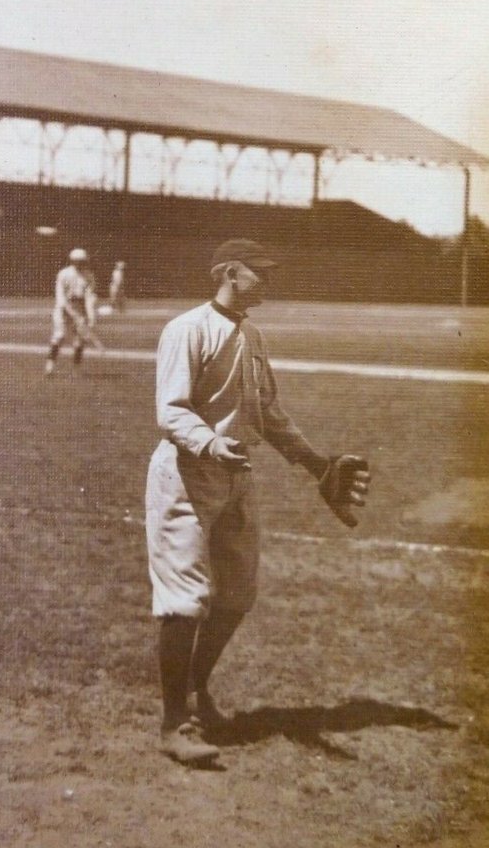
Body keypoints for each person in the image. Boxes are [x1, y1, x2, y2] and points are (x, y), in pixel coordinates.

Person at [145, 238, 370, 765]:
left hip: (236, 474)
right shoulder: (186, 329)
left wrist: (318, 465)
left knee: (237, 595)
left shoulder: (252, 334)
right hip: (187, 473)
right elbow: (171, 410)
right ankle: (174, 724)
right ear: (229, 272)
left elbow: (268, 413)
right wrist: (209, 442)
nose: (267, 280)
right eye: (258, 272)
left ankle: (195, 691)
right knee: (184, 598)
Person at [45, 247, 98, 375]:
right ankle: (49, 365)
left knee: (80, 340)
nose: (80, 264)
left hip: (79, 308)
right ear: (72, 261)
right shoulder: (63, 274)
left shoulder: (89, 276)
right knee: (59, 336)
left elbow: (89, 298)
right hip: (63, 310)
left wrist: (90, 317)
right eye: (77, 261)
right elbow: (60, 297)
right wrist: (71, 313)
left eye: (82, 261)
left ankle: (76, 369)